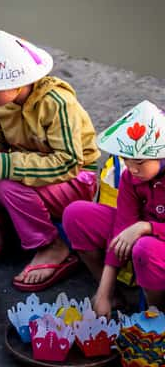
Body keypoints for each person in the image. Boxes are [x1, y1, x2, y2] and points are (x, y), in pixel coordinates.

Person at [0, 30, 100, 291]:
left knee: (6, 181)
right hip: (30, 167)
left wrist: (8, 165)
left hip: (75, 179)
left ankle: (51, 245)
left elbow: (69, 161)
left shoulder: (56, 103)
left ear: (22, 80)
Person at [63, 100, 165, 316]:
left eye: (139, 162)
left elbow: (137, 230)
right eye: (126, 160)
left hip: (154, 242)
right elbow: (122, 229)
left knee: (145, 248)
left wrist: (146, 227)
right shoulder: (131, 176)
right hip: (142, 234)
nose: (131, 169)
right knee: (76, 214)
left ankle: (156, 312)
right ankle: (112, 296)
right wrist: (104, 293)